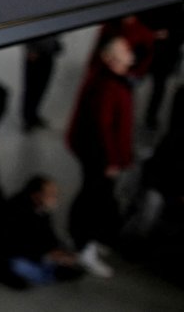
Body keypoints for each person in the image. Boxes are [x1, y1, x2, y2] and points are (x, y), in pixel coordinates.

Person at [66, 35, 136, 278]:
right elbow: (102, 126)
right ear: (109, 58)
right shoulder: (107, 85)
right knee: (94, 201)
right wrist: (111, 159)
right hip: (102, 158)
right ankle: (85, 247)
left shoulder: (116, 82)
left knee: (98, 199)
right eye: (123, 50)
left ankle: (90, 241)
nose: (128, 54)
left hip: (105, 156)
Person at [1, 176, 83, 286]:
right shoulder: (16, 210)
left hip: (35, 252)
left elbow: (47, 234)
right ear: (37, 195)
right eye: (51, 194)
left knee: (67, 259)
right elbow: (16, 243)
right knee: (21, 266)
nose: (55, 198)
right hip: (15, 253)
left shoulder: (42, 209)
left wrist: (58, 250)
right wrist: (47, 255)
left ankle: (53, 270)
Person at [22, 35, 62, 131]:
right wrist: (30, 49)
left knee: (41, 87)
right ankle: (28, 119)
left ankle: (33, 115)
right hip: (35, 55)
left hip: (47, 53)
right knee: (31, 88)